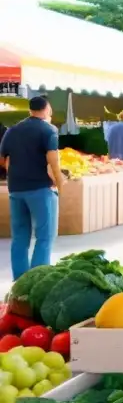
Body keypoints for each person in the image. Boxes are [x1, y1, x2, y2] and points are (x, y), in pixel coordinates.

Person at [0, 96, 63, 278]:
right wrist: (60, 183)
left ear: (30, 110)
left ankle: (20, 282)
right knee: (45, 237)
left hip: (16, 190)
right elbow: (53, 160)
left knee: (20, 238)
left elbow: (3, 159)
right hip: (40, 189)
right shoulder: (48, 130)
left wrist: (17, 171)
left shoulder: (12, 131)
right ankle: (37, 280)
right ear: (47, 108)